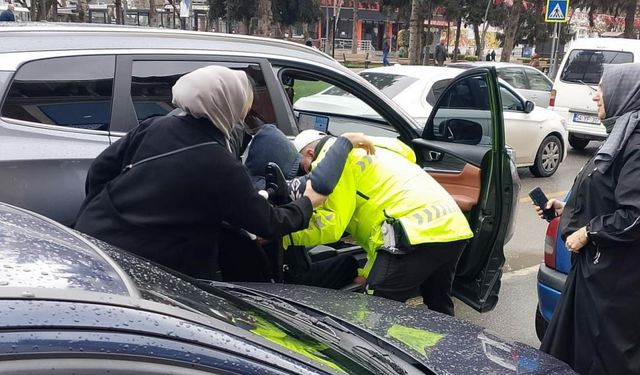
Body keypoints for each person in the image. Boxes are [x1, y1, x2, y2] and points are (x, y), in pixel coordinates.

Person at [74, 66, 326, 281]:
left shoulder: (156, 125)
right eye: (243, 106)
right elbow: (267, 223)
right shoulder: (218, 162)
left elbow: (99, 171)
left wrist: (106, 209)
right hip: (145, 267)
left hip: (93, 238)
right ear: (227, 105)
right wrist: (308, 202)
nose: (243, 115)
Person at [284, 130, 474, 316]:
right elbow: (380, 221)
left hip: (414, 234)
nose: (308, 176)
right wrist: (367, 273)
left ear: (310, 154)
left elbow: (332, 224)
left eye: (305, 168)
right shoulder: (376, 147)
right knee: (439, 304)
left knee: (374, 313)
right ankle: (449, 347)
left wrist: (284, 234)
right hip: (452, 225)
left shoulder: (333, 162)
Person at [535, 63, 640, 374]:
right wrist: (563, 209)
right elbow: (602, 193)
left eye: (603, 88)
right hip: (594, 276)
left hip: (614, 287)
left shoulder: (635, 144)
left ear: (625, 92)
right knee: (567, 356)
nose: (596, 96)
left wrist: (589, 232)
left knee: (602, 361)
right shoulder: (621, 135)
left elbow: (634, 215)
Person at [244, 124, 375, 289]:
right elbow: (331, 227)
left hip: (274, 274)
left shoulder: (247, 193)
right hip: (293, 280)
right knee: (348, 263)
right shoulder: (276, 195)